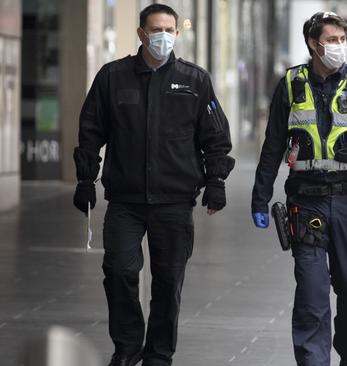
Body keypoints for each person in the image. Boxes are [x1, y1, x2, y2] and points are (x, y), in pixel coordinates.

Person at [72, 4, 234, 366]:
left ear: (177, 33)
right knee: (119, 271)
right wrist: (86, 178)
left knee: (167, 282)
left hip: (174, 201)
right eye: (156, 29)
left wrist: (216, 181)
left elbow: (216, 136)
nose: (164, 36)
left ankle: (159, 354)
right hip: (125, 200)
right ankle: (127, 347)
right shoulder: (113, 77)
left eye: (170, 30)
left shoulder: (195, 81)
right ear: (142, 33)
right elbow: (90, 130)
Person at [251, 11, 347, 366]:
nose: (338, 46)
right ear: (312, 43)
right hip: (306, 201)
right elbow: (273, 144)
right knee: (311, 291)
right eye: (330, 40)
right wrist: (260, 197)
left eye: (341, 40)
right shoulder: (290, 85)